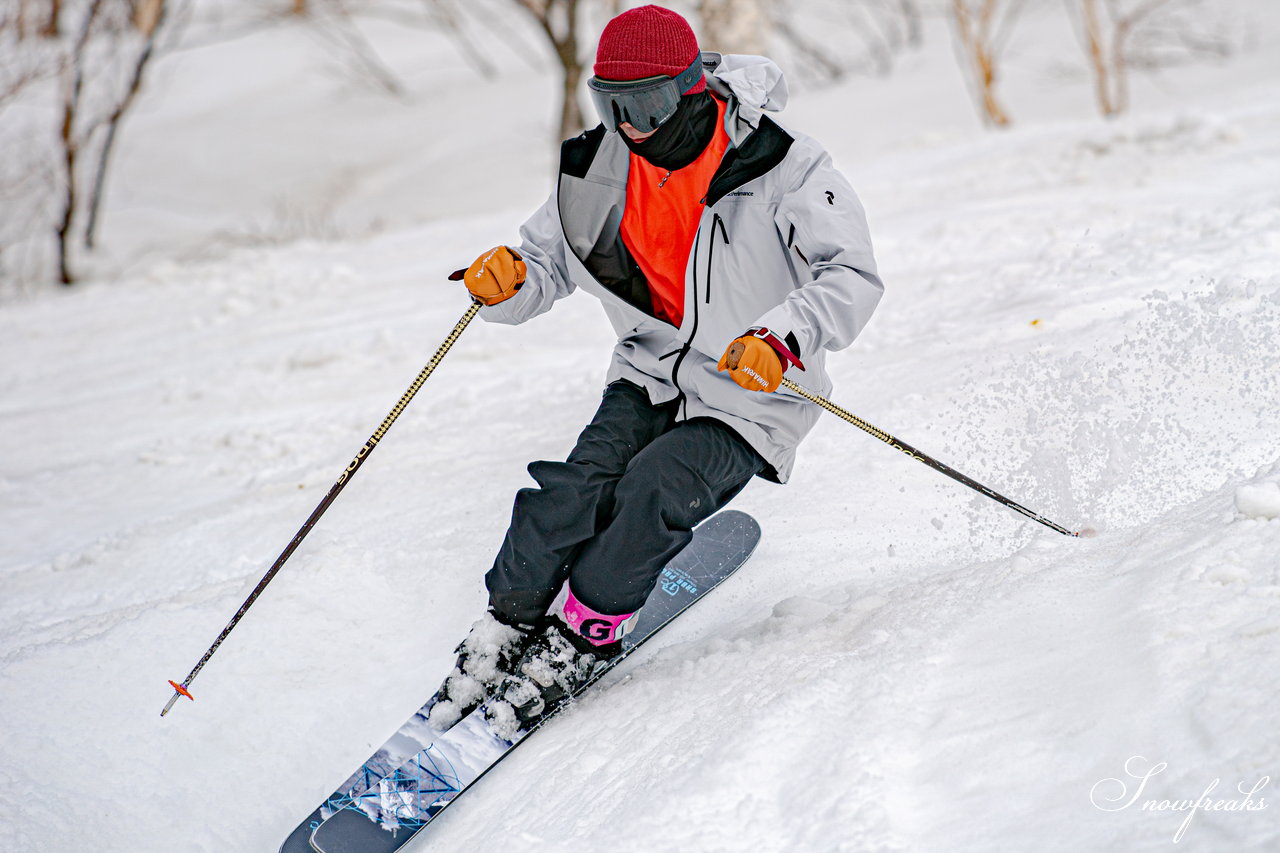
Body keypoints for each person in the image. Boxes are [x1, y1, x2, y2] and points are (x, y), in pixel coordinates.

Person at [429, 4, 883, 737]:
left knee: (652, 491)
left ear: (692, 87)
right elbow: (546, 262)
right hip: (649, 373)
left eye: (646, 104)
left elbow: (850, 276)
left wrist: (782, 336)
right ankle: (503, 631)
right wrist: (507, 279)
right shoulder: (600, 167)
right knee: (566, 492)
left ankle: (581, 636)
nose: (632, 125)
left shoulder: (781, 163)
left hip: (747, 390)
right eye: (613, 105)